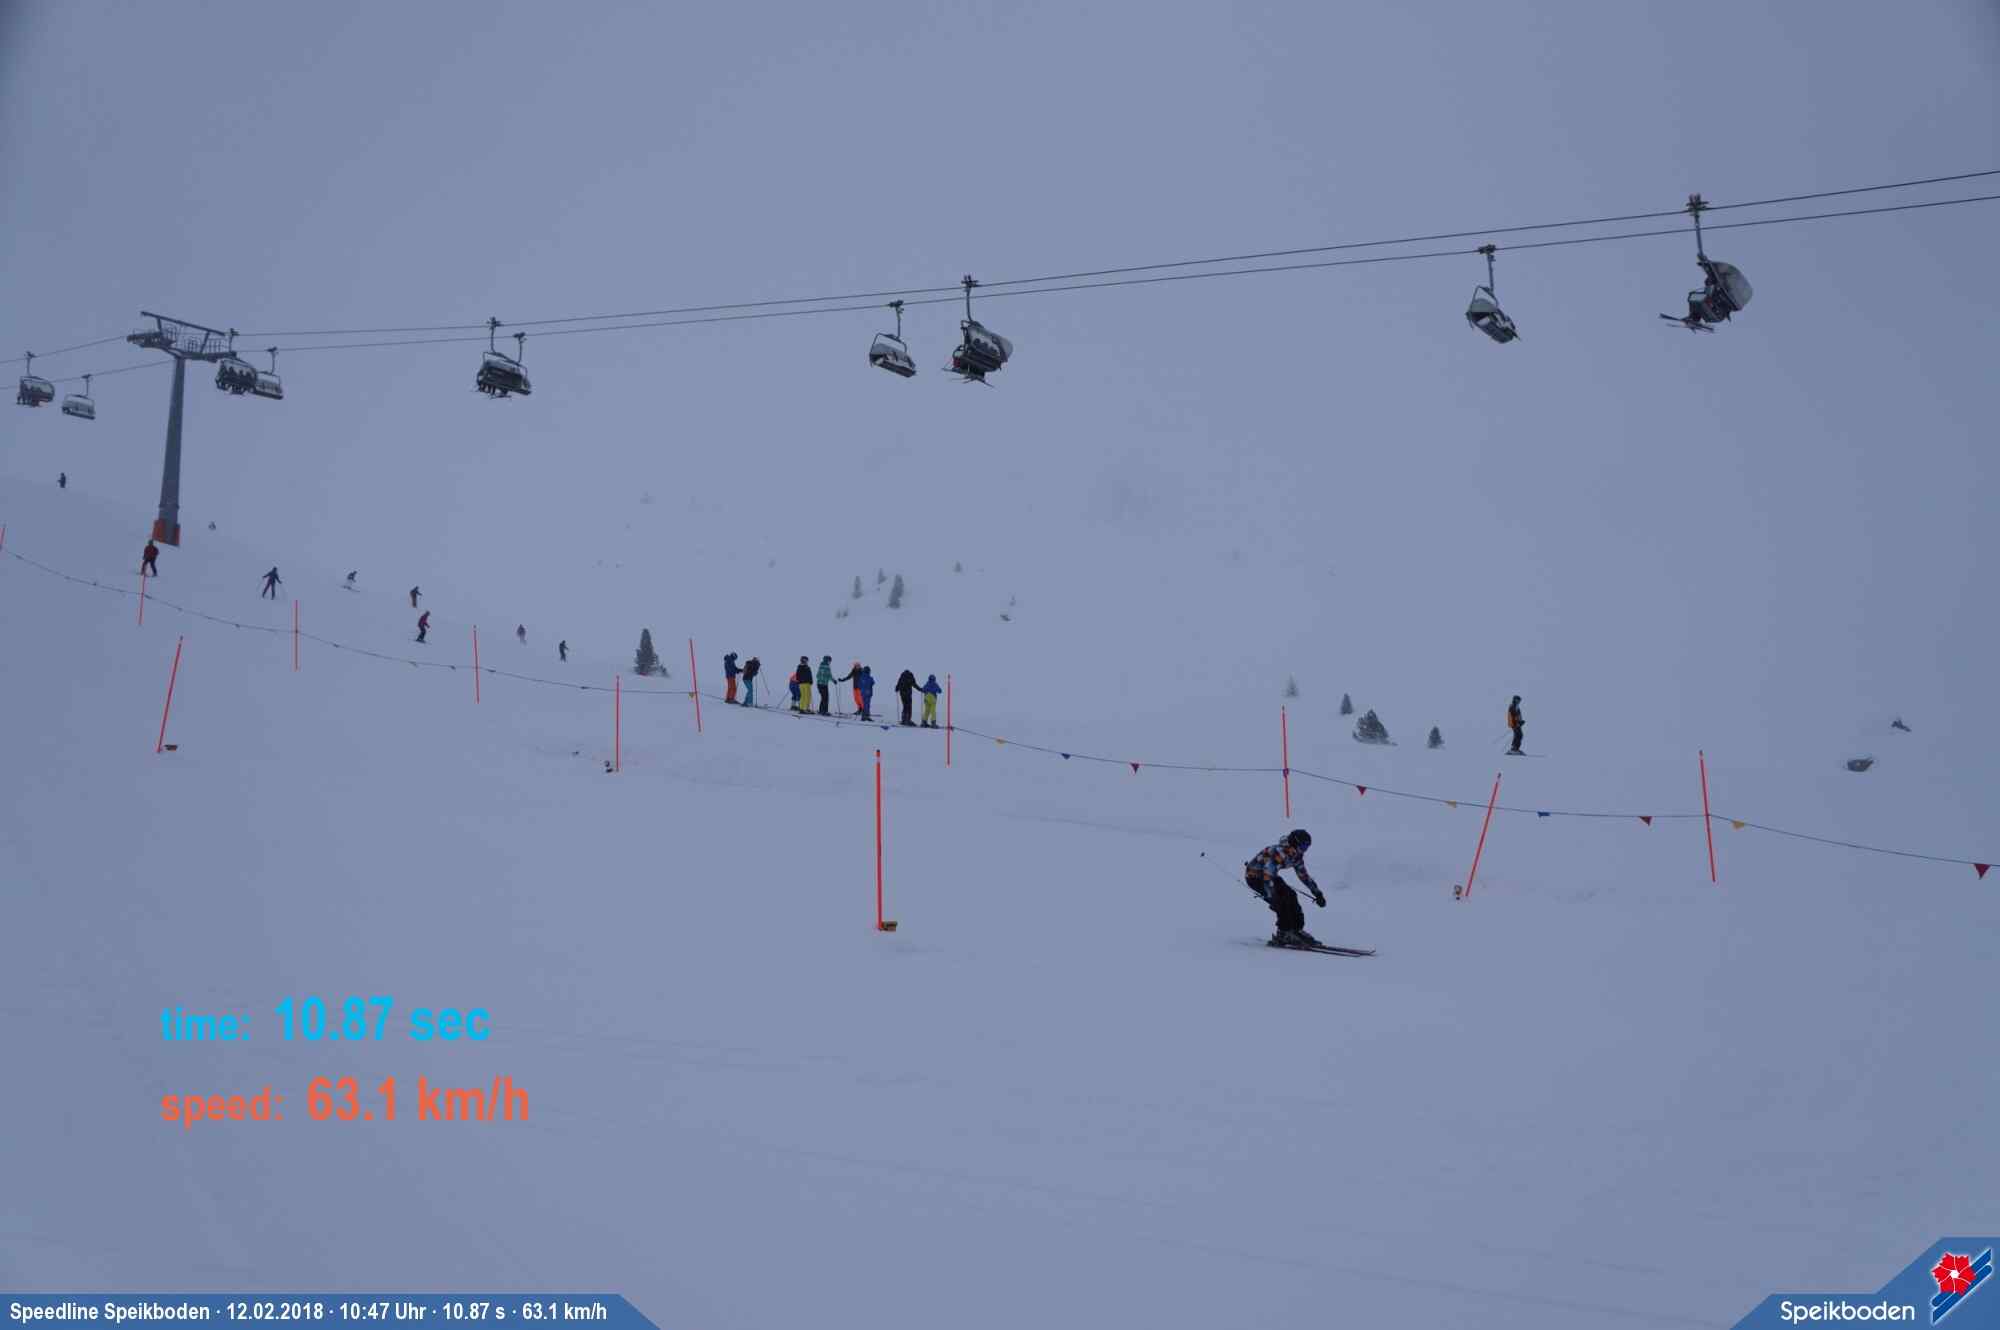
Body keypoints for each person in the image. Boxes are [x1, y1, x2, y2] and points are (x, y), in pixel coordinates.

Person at [1245, 829, 1326, 948]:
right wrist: (1271, 896)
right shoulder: (1279, 853)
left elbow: (1303, 876)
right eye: (1303, 846)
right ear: (1295, 843)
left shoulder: (1296, 856)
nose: (1305, 850)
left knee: (1291, 895)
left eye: (1307, 847)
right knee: (1281, 899)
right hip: (1255, 877)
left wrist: (1317, 893)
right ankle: (1284, 932)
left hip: (1270, 875)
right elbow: (1267, 876)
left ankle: (1296, 930)